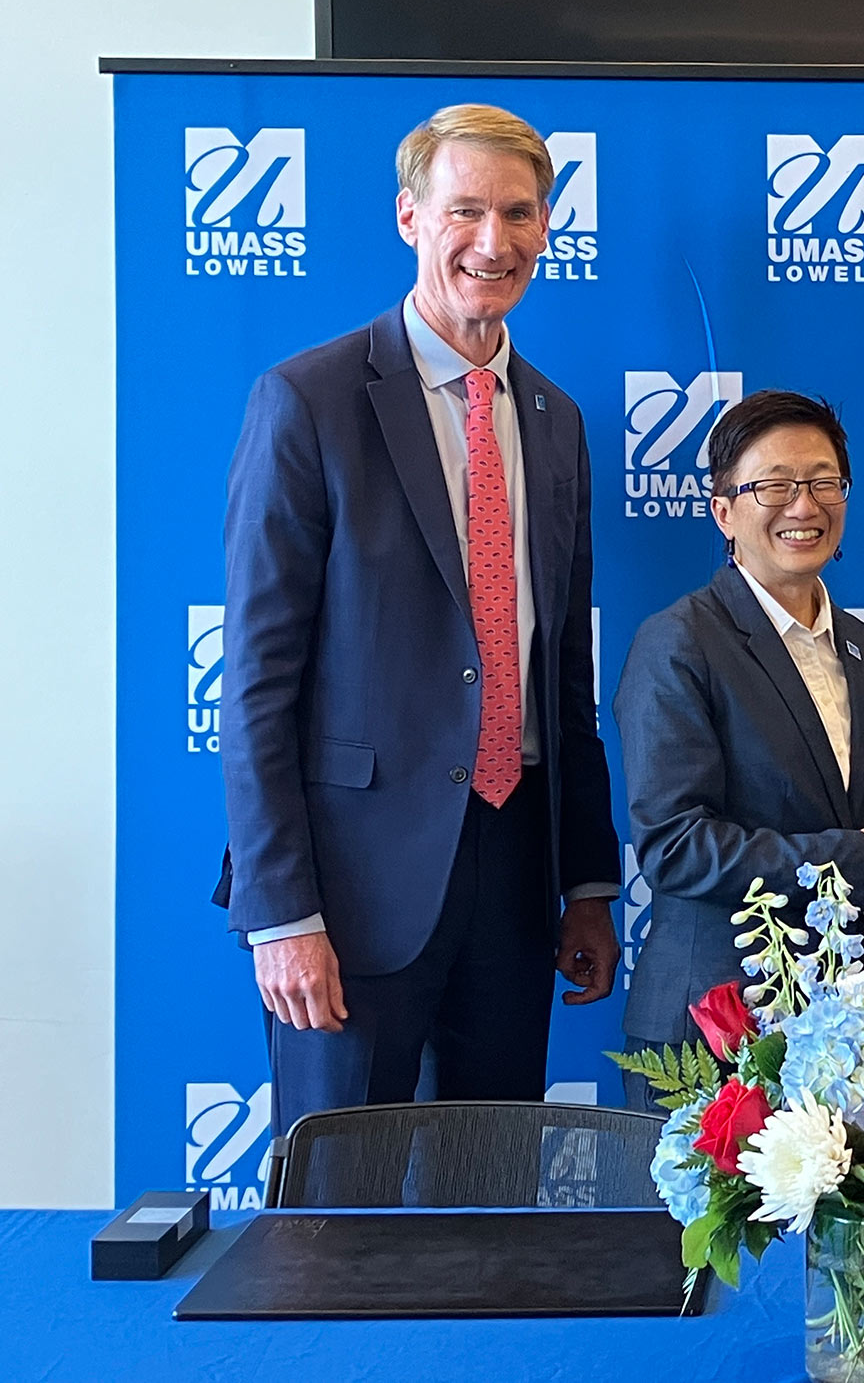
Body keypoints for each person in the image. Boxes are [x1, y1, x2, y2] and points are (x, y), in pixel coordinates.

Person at [217, 104, 621, 1140]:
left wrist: (584, 882)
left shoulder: (555, 419)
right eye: (466, 210)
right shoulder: (308, 401)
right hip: (351, 895)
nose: (494, 242)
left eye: (520, 213)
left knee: (492, 1201)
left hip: (514, 873)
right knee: (333, 1225)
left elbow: (561, 673)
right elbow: (257, 685)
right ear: (409, 217)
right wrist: (282, 916)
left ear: (546, 227)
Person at [613, 391, 864, 1105]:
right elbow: (674, 844)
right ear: (724, 511)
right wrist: (851, 864)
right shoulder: (681, 640)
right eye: (774, 485)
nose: (803, 506)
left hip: (851, 1031)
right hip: (715, 1031)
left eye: (822, 483)